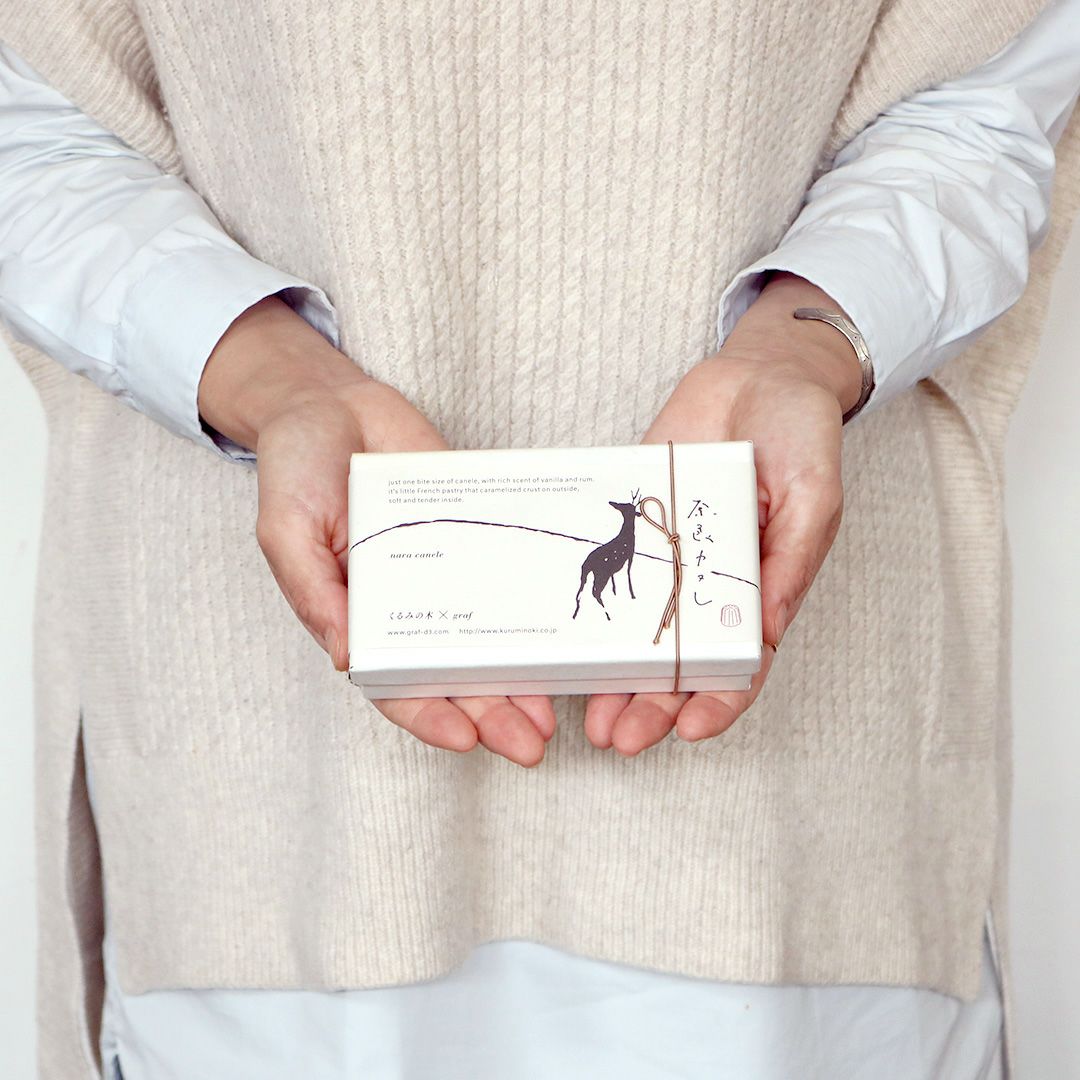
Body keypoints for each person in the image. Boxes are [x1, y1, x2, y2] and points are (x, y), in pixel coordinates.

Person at [1, 0, 1079, 1076]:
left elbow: (983, 92)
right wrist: (267, 378)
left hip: (798, 836)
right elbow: (37, 124)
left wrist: (805, 346)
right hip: (264, 811)